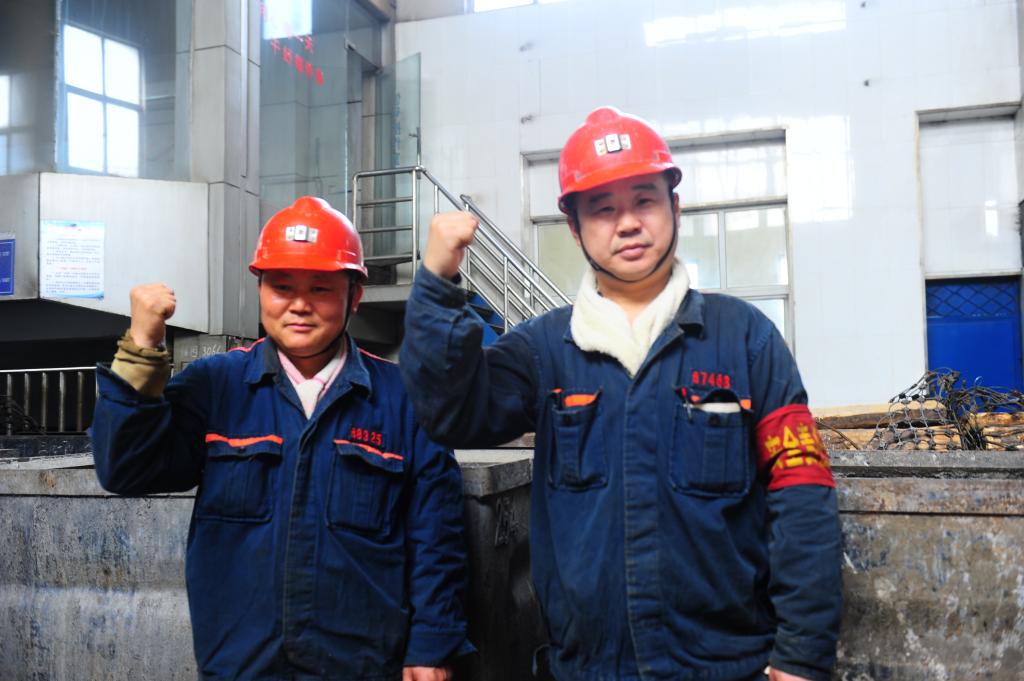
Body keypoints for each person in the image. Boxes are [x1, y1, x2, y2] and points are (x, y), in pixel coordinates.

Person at [399, 107, 842, 681]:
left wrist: (802, 652)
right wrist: (437, 286)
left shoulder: (745, 339)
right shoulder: (543, 351)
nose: (628, 223)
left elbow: (801, 492)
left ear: (675, 207)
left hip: (726, 667)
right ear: (575, 229)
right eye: (603, 209)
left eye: (644, 201)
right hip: (587, 669)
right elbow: (451, 414)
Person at [92, 196, 472, 681]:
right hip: (241, 664)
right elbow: (126, 470)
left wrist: (432, 646)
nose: (299, 305)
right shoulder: (216, 386)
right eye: (282, 286)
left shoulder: (404, 399)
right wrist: (141, 348)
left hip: (363, 664)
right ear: (260, 289)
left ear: (354, 296)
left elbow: (437, 534)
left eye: (321, 288)